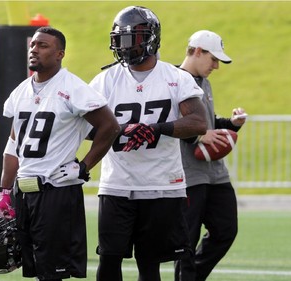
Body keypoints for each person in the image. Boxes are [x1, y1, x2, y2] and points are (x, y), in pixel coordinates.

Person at [89, 6, 207, 281]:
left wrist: (155, 129)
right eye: (120, 39)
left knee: (150, 263)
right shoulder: (105, 80)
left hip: (162, 184)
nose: (125, 45)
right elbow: (83, 127)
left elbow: (199, 123)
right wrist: (119, 131)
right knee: (108, 260)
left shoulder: (176, 77)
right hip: (117, 184)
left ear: (151, 38)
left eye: (133, 38)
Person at [0, 26, 120, 281]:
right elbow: (13, 144)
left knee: (54, 272)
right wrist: (4, 190)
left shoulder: (73, 87)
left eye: (43, 46)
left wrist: (84, 166)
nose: (34, 50)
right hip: (25, 193)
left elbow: (110, 126)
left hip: (56, 191)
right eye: (33, 45)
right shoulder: (21, 91)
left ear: (60, 53)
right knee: (36, 271)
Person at [174, 30, 247, 281]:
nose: (216, 65)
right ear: (196, 51)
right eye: (213, 59)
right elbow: (164, 123)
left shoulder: (205, 82)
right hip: (187, 174)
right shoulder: (172, 80)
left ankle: (192, 276)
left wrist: (231, 123)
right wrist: (196, 136)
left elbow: (207, 121)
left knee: (226, 229)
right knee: (186, 239)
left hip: (215, 172)